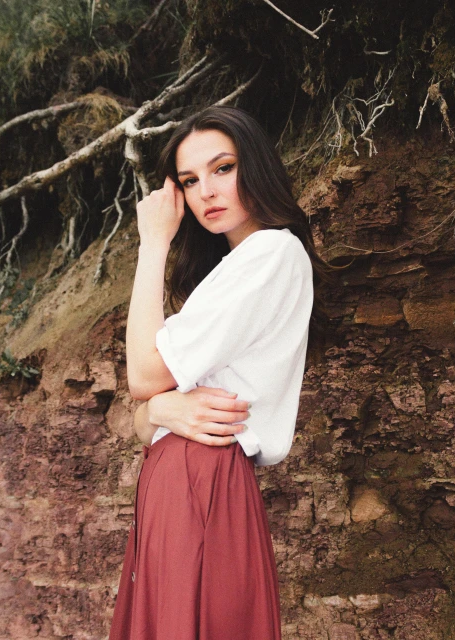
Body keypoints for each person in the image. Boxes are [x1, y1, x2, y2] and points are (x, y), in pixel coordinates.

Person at [109, 105, 326, 640]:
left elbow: (142, 374)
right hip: (184, 474)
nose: (205, 190)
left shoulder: (272, 251)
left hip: (201, 476)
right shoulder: (230, 274)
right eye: (189, 179)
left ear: (255, 166)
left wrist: (153, 241)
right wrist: (157, 409)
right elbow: (144, 412)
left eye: (222, 168)